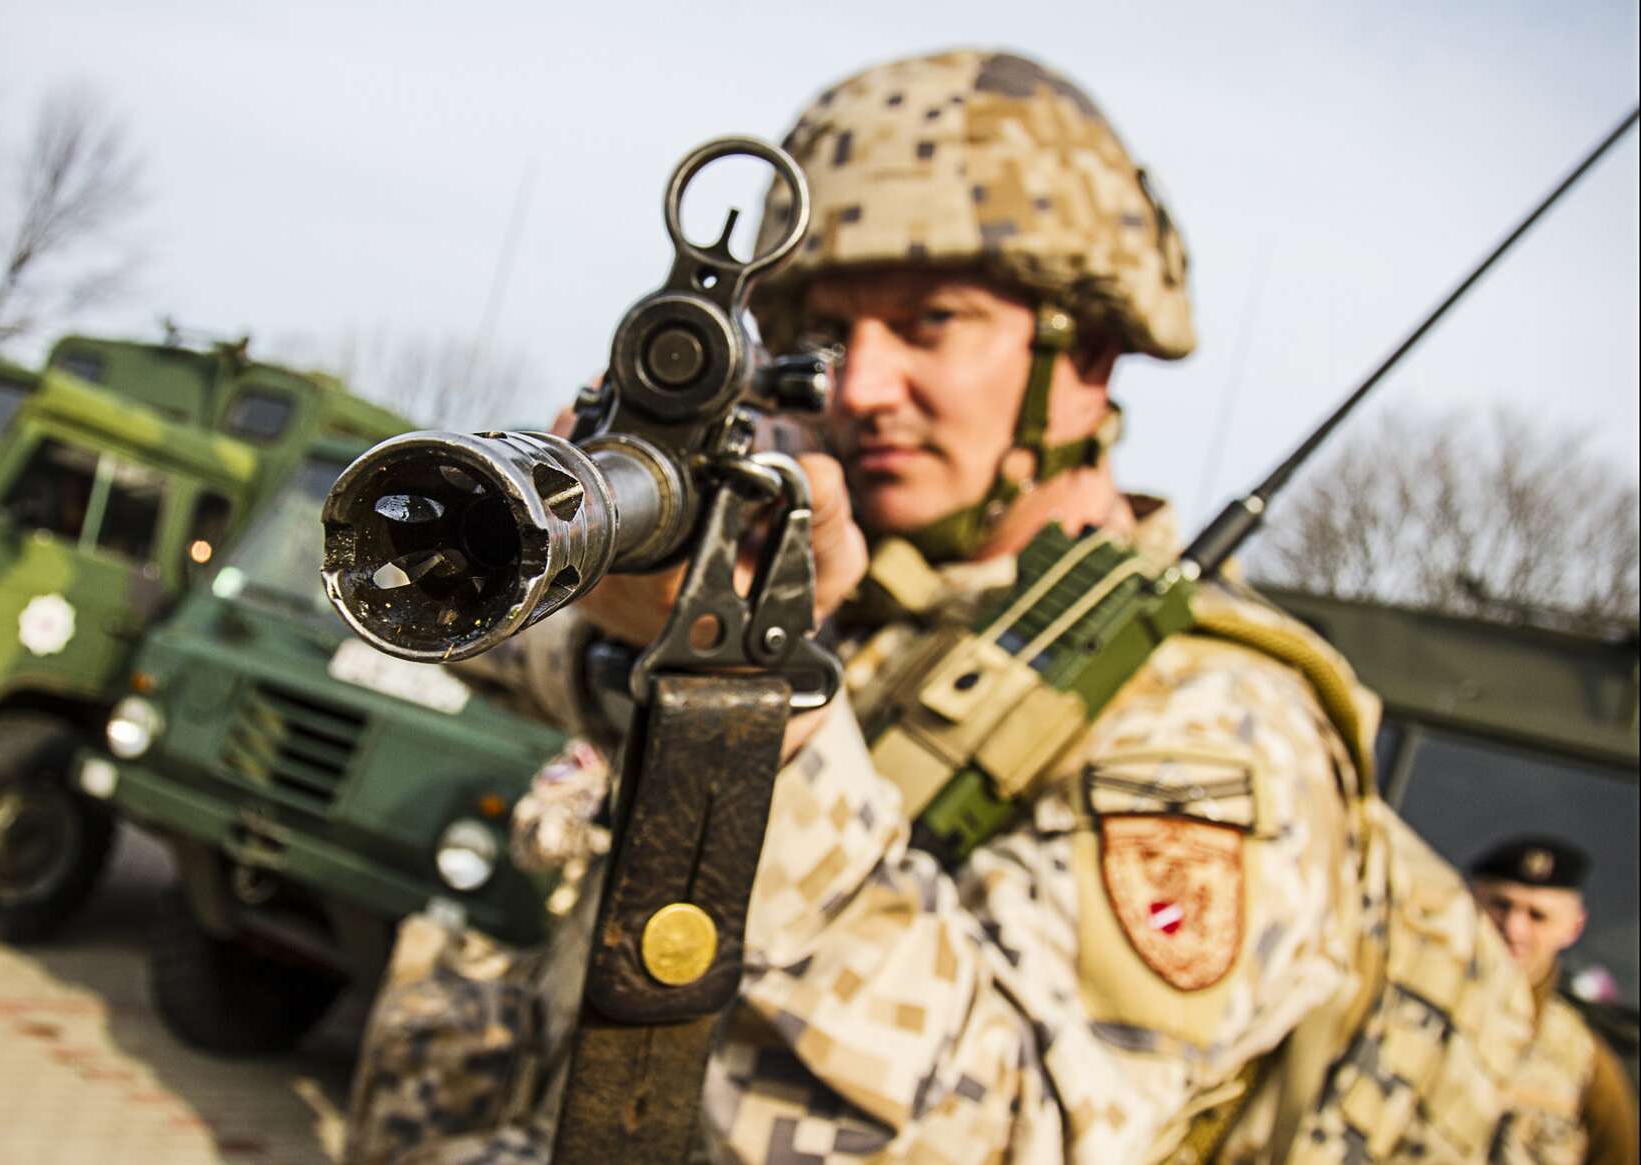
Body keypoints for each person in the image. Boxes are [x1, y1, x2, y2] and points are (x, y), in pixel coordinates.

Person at [344, 48, 1583, 1164]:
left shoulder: (1216, 718)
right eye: (824, 332)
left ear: (1084, 351)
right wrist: (615, 575)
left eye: (931, 322)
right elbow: (556, 670)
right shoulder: (873, 598)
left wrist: (755, 702)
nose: (864, 383)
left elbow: (1019, 1125)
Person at [1468, 836, 1640, 1165]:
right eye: (1501, 905)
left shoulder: (1585, 1061)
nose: (1513, 929)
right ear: (1470, 901)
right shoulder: (1403, 1005)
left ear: (1573, 928)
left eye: (1537, 916)